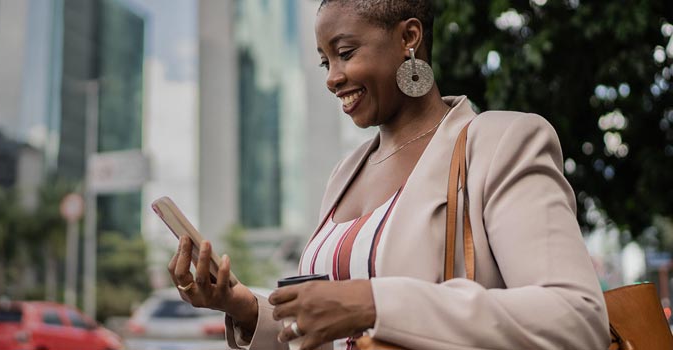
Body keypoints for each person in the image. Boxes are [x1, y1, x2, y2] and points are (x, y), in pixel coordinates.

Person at [166, 1, 609, 349]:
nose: (332, 79)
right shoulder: (345, 172)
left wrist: (374, 301)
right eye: (325, 62)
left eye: (345, 53)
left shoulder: (501, 142)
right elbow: (334, 335)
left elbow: (575, 318)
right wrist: (242, 305)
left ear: (409, 38)